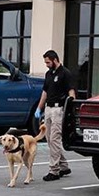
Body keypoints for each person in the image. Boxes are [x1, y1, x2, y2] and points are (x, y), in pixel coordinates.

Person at [34, 50, 76, 181]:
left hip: (59, 109)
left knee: (55, 139)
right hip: (48, 108)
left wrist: (70, 109)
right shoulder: (48, 74)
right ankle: (63, 166)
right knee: (49, 139)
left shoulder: (65, 74)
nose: (46, 64)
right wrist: (39, 108)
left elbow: (71, 92)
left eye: (48, 62)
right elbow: (44, 93)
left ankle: (54, 170)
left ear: (55, 60)